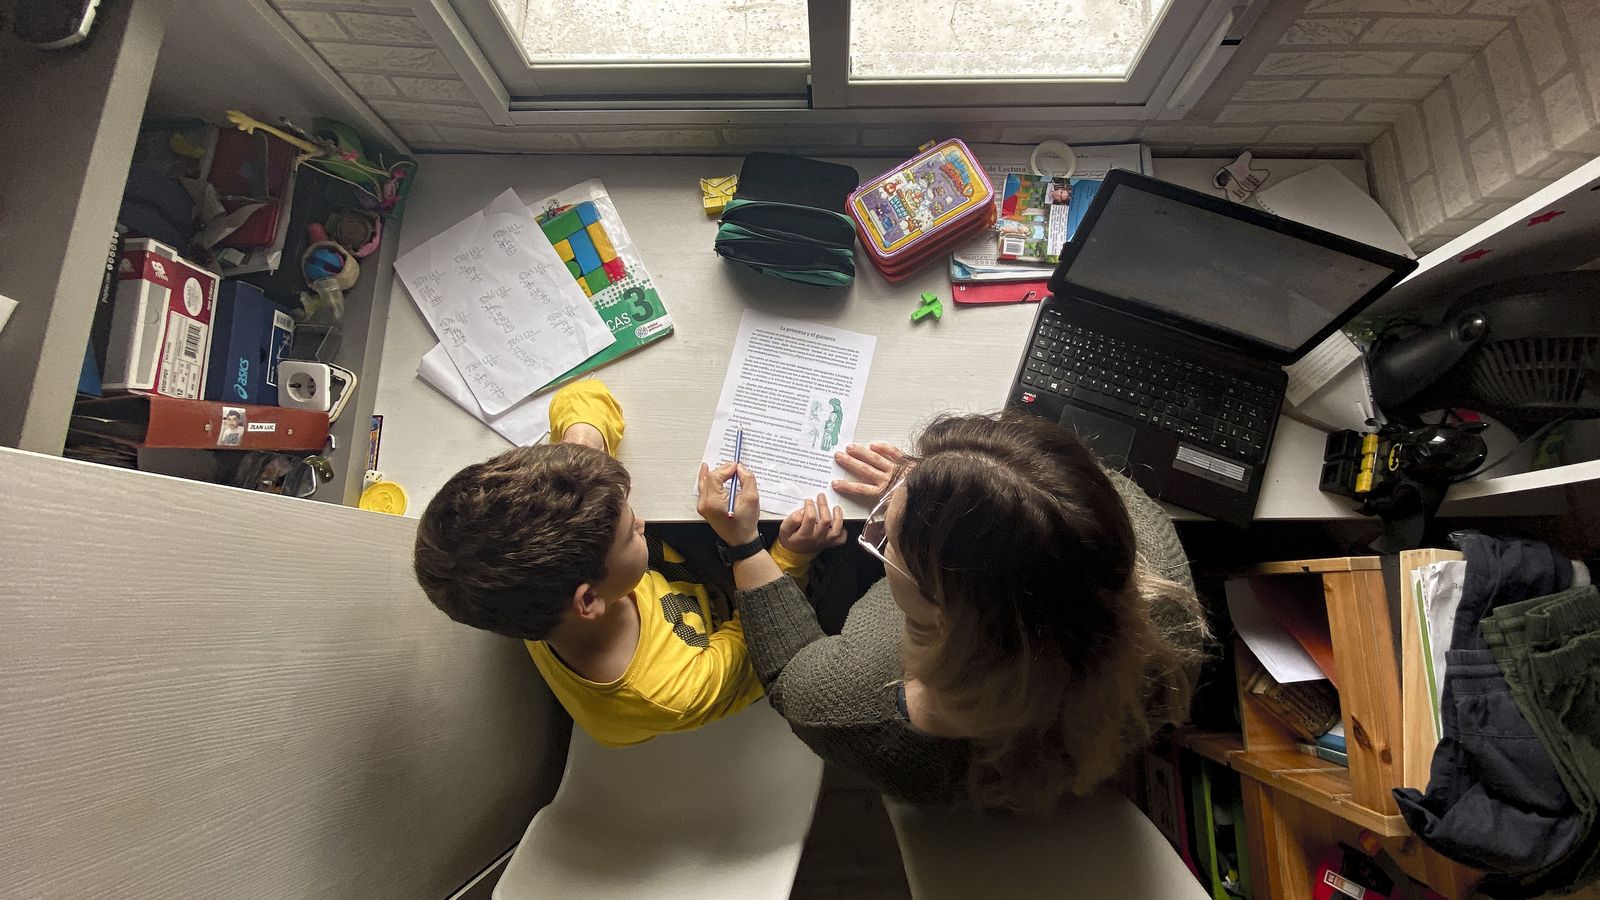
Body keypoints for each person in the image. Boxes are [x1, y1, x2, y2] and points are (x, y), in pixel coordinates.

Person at [695, 411, 1209, 814]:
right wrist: (957, 486)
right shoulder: (1164, 602)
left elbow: (789, 672)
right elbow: (1084, 486)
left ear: (943, 616)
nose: (877, 528)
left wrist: (744, 546)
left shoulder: (856, 700)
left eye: (887, 537)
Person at [413, 380, 845, 747]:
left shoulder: (536, 581)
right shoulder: (670, 689)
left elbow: (583, 392)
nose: (642, 521)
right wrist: (780, 553)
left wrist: (583, 446)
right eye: (629, 532)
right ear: (588, 600)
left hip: (688, 584)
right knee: (842, 561)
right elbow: (767, 648)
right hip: (746, 636)